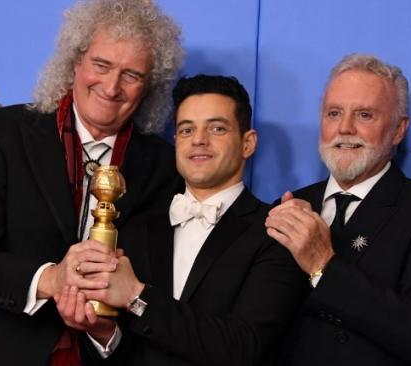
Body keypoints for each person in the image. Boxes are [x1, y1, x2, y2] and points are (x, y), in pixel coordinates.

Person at [0, 0, 183, 364]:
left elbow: (156, 289)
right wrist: (52, 279)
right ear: (76, 61)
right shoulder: (2, 134)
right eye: (101, 65)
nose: (112, 86)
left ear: (149, 86)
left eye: (132, 75)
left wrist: (106, 334)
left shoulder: (165, 166)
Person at [55, 75, 307, 365]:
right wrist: (101, 332)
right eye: (187, 130)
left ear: (247, 143)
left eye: (217, 128)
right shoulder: (137, 229)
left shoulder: (274, 233)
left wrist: (137, 297)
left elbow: (243, 347)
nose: (199, 140)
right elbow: (129, 349)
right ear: (176, 142)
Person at [265, 54, 411, 365]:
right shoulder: (288, 208)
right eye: (334, 113)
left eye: (364, 115)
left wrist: (324, 265)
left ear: (399, 129)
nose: (345, 128)